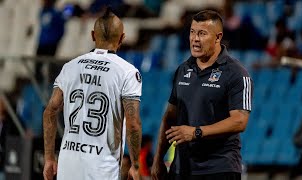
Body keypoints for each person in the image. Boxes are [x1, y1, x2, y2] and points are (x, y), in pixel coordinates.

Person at [151, 10, 253, 180]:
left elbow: (239, 121)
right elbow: (170, 117)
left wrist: (196, 132)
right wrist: (158, 160)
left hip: (220, 168)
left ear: (218, 37)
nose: (195, 39)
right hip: (182, 168)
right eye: (192, 32)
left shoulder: (237, 73)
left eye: (202, 33)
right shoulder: (183, 70)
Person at [43, 8, 142, 180]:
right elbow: (133, 124)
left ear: (92, 35)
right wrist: (135, 165)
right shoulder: (127, 72)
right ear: (122, 38)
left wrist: (49, 158)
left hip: (68, 165)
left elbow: (50, 112)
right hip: (101, 168)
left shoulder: (70, 67)